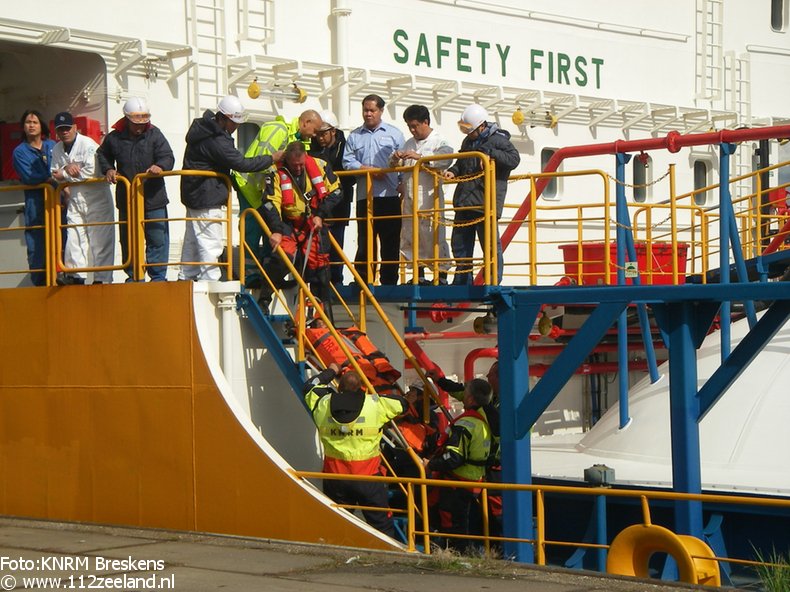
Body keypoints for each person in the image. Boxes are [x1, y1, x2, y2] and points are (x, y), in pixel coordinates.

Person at [179, 95, 280, 282]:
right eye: (234, 123)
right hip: (206, 195)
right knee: (210, 239)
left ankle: (186, 276)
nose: (236, 127)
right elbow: (238, 162)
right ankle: (211, 279)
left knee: (193, 239)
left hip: (196, 193)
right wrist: (271, 158)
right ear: (223, 118)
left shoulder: (204, 131)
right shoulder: (215, 139)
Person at [303, 362, 407, 537]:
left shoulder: (322, 403)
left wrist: (332, 370)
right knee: (381, 526)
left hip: (335, 478)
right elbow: (402, 403)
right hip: (368, 479)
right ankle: (388, 556)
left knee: (339, 523)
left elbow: (309, 386)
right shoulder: (375, 405)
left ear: (338, 386)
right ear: (361, 387)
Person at [233, 109, 323, 288]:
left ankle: (270, 277)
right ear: (305, 122)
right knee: (252, 230)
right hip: (250, 186)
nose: (315, 135)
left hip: (270, 193)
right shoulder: (278, 130)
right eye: (315, 130)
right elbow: (260, 160)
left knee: (273, 232)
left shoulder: (298, 141)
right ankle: (249, 277)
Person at [257, 141, 342, 312]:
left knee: (320, 268)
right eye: (294, 165)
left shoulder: (321, 166)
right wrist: (277, 230)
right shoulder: (275, 173)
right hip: (288, 224)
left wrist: (320, 214)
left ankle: (322, 317)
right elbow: (270, 203)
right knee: (281, 257)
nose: (298, 169)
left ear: (306, 158)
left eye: (301, 164)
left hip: (313, 224)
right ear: (287, 159)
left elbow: (337, 191)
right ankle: (263, 301)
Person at [97, 97, 175, 282]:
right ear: (126, 120)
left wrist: (160, 166)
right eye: (135, 123)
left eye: (143, 122)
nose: (140, 127)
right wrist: (108, 169)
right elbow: (102, 154)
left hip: (153, 197)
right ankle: (133, 276)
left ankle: (157, 277)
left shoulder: (155, 134)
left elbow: (167, 156)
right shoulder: (114, 138)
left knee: (157, 237)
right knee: (129, 239)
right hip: (128, 198)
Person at [444, 104, 520, 285]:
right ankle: (462, 279)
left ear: (482, 126)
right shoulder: (468, 142)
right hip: (465, 201)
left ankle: (493, 281)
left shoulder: (498, 141)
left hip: (485, 202)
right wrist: (453, 171)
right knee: (460, 244)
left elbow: (514, 159)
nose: (466, 133)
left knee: (490, 245)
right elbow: (461, 162)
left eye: (469, 129)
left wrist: (489, 153)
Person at [424, 376, 493, 552]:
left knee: (452, 520)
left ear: (469, 399)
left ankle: (455, 553)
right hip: (475, 480)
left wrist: (431, 464)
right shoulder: (484, 421)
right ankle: (460, 549)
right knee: (463, 519)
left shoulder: (464, 424)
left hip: (458, 482)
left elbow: (454, 458)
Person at [343, 94, 405, 285]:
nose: (368, 114)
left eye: (372, 110)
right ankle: (363, 279)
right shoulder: (354, 136)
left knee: (390, 242)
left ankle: (389, 282)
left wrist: (402, 183)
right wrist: (367, 170)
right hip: (365, 197)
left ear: (381, 111)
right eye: (365, 110)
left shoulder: (394, 134)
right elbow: (347, 162)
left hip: (389, 195)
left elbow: (404, 162)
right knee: (365, 240)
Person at [390, 104, 454, 285]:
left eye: (415, 126)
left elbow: (447, 157)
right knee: (411, 234)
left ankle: (441, 275)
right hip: (410, 197)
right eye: (409, 126)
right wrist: (395, 158)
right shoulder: (409, 143)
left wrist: (421, 158)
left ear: (425, 122)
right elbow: (394, 165)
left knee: (433, 234)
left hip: (429, 197)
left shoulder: (439, 140)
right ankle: (418, 274)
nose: (412, 130)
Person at [50, 111, 115, 285]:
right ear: (56, 131)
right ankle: (75, 275)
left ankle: (102, 279)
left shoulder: (88, 145)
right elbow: (54, 172)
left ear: (75, 127)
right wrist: (66, 170)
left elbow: (90, 172)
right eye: (60, 129)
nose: (64, 132)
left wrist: (65, 173)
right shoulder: (57, 148)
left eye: (67, 128)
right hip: (75, 196)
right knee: (74, 236)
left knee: (100, 240)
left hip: (97, 197)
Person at [310, 110, 355, 284]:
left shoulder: (345, 148)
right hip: (318, 203)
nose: (320, 138)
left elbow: (350, 175)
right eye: (318, 134)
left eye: (323, 134)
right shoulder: (313, 149)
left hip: (340, 202)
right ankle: (318, 280)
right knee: (318, 244)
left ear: (333, 131)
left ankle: (336, 280)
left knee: (336, 242)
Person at [12, 110, 56, 286]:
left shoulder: (52, 145)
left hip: (57, 202)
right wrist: (50, 178)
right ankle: (40, 282)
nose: (31, 125)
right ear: (23, 127)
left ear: (41, 125)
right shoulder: (20, 152)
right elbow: (29, 177)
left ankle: (63, 275)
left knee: (62, 238)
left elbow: (63, 167)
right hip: (36, 204)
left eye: (35, 122)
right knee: (37, 245)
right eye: (28, 122)